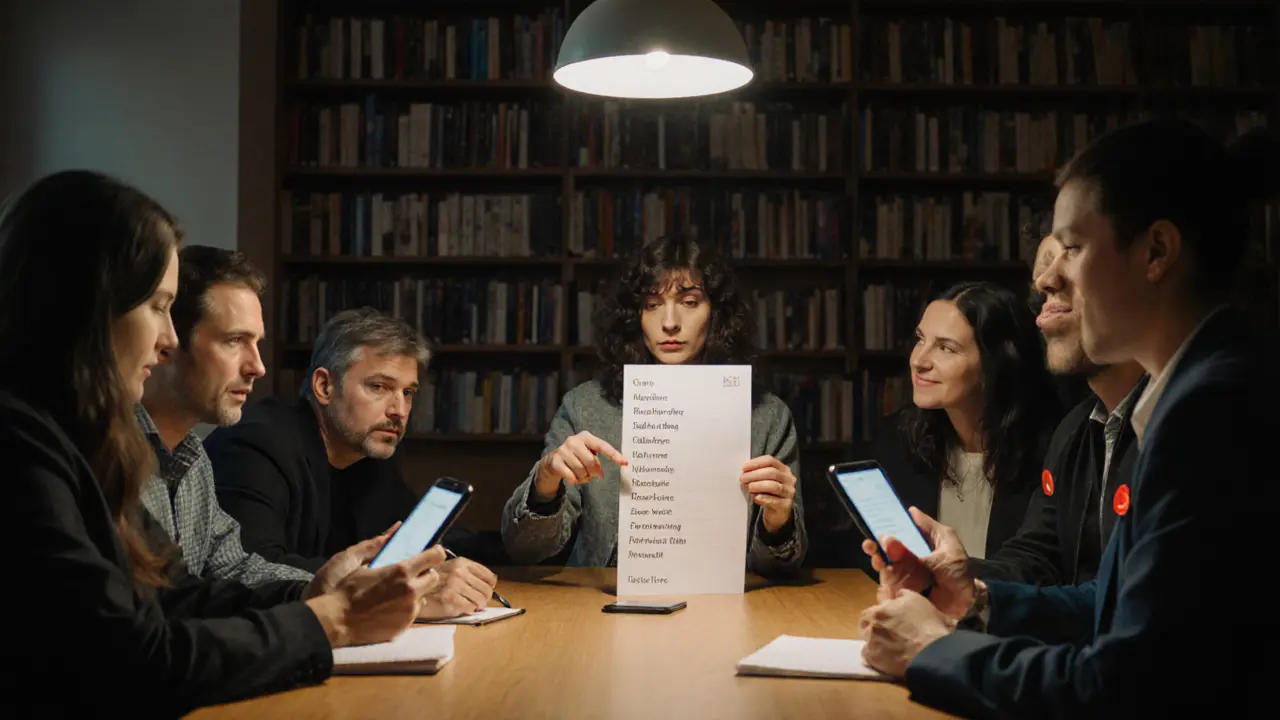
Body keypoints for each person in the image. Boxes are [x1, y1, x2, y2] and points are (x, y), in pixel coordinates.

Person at [858, 119, 1279, 717]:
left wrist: (934, 650)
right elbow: (1109, 606)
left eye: (1073, 248)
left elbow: (1125, 688)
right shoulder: (1195, 393)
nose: (1047, 280)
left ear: (1156, 252)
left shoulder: (1213, 412)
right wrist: (976, 601)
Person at [0, 170, 443, 714]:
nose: (166, 340)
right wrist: (332, 620)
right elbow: (130, 661)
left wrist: (313, 593)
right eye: (157, 306)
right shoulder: (20, 448)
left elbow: (177, 592)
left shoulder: (81, 441)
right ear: (88, 303)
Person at [500, 233, 807, 575]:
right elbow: (523, 549)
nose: (670, 323)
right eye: (652, 304)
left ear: (716, 313)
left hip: (723, 596)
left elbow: (781, 568)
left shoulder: (768, 417)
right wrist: (546, 480)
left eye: (689, 302)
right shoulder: (585, 407)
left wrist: (778, 521)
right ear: (635, 317)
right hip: (604, 598)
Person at [204, 307, 500, 616]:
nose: (399, 410)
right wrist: (400, 587)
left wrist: (519, 538)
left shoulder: (369, 453)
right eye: (379, 387)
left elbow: (423, 544)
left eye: (408, 392)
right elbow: (253, 569)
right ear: (324, 387)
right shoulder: (255, 445)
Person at [973, 236, 1147, 585]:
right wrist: (959, 577)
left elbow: (1117, 601)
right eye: (1043, 266)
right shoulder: (1075, 429)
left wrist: (981, 600)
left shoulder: (1187, 422)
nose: (1044, 281)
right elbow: (1038, 555)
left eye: (1073, 253)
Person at [137, 245, 311, 586]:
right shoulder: (108, 457)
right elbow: (164, 605)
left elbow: (232, 567)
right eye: (234, 341)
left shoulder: (193, 459)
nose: (257, 367)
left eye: (256, 343)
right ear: (167, 343)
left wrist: (329, 586)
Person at [866, 281, 1062, 571]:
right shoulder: (896, 440)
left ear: (996, 364)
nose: (919, 361)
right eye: (920, 339)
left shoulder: (1052, 448)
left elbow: (1039, 570)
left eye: (945, 348)